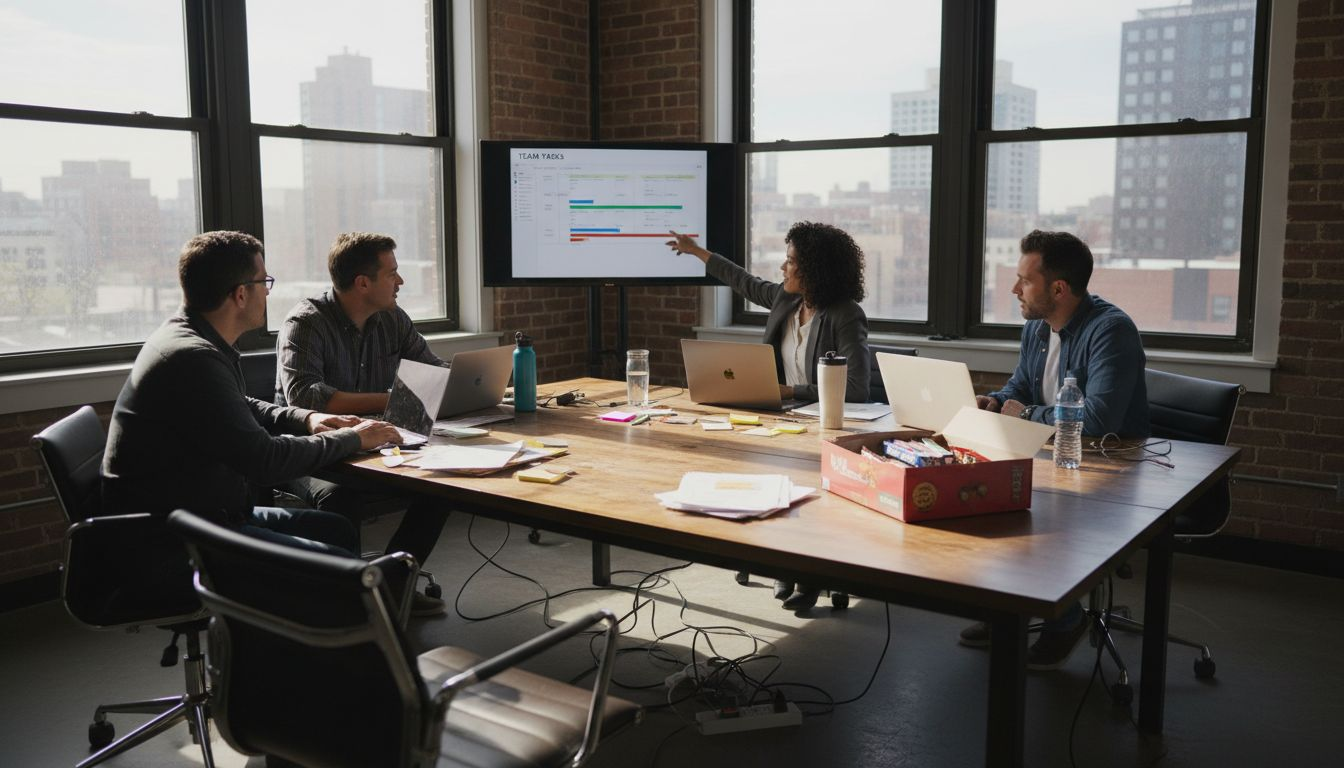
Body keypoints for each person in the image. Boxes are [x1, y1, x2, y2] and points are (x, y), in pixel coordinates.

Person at [102, 230, 402, 557]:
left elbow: (239, 405)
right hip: (176, 541)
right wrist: (353, 437)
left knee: (336, 531)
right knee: (337, 558)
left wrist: (309, 417)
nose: (268, 294)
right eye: (264, 283)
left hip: (200, 515)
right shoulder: (194, 359)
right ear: (241, 294)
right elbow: (265, 461)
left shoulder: (187, 338)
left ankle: (358, 599)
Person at [962, 228, 1149, 670]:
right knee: (981, 487)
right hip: (1051, 453)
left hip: (1108, 467)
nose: (1014, 290)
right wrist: (994, 401)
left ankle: (1065, 620)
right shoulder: (1038, 327)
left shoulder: (1111, 331)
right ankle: (1006, 608)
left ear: (1059, 289)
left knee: (1031, 509)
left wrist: (1022, 415)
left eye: (1024, 280)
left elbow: (1098, 419)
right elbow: (1021, 387)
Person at [668, 221, 870, 611]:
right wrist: (696, 251)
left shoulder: (845, 314)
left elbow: (857, 388)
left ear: (813, 269)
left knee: (803, 486)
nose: (783, 267)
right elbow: (742, 280)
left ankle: (811, 573)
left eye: (791, 261)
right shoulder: (786, 300)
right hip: (779, 418)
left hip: (820, 422)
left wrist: (791, 391)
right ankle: (784, 565)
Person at [274, 232, 451, 616]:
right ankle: (346, 602)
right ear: (363, 283)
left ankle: (392, 585)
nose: (400, 282)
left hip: (378, 439)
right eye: (393, 274)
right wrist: (394, 399)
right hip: (310, 448)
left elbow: (431, 368)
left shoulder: (393, 319)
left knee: (444, 483)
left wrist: (468, 381)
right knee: (340, 496)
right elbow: (306, 398)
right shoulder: (306, 322)